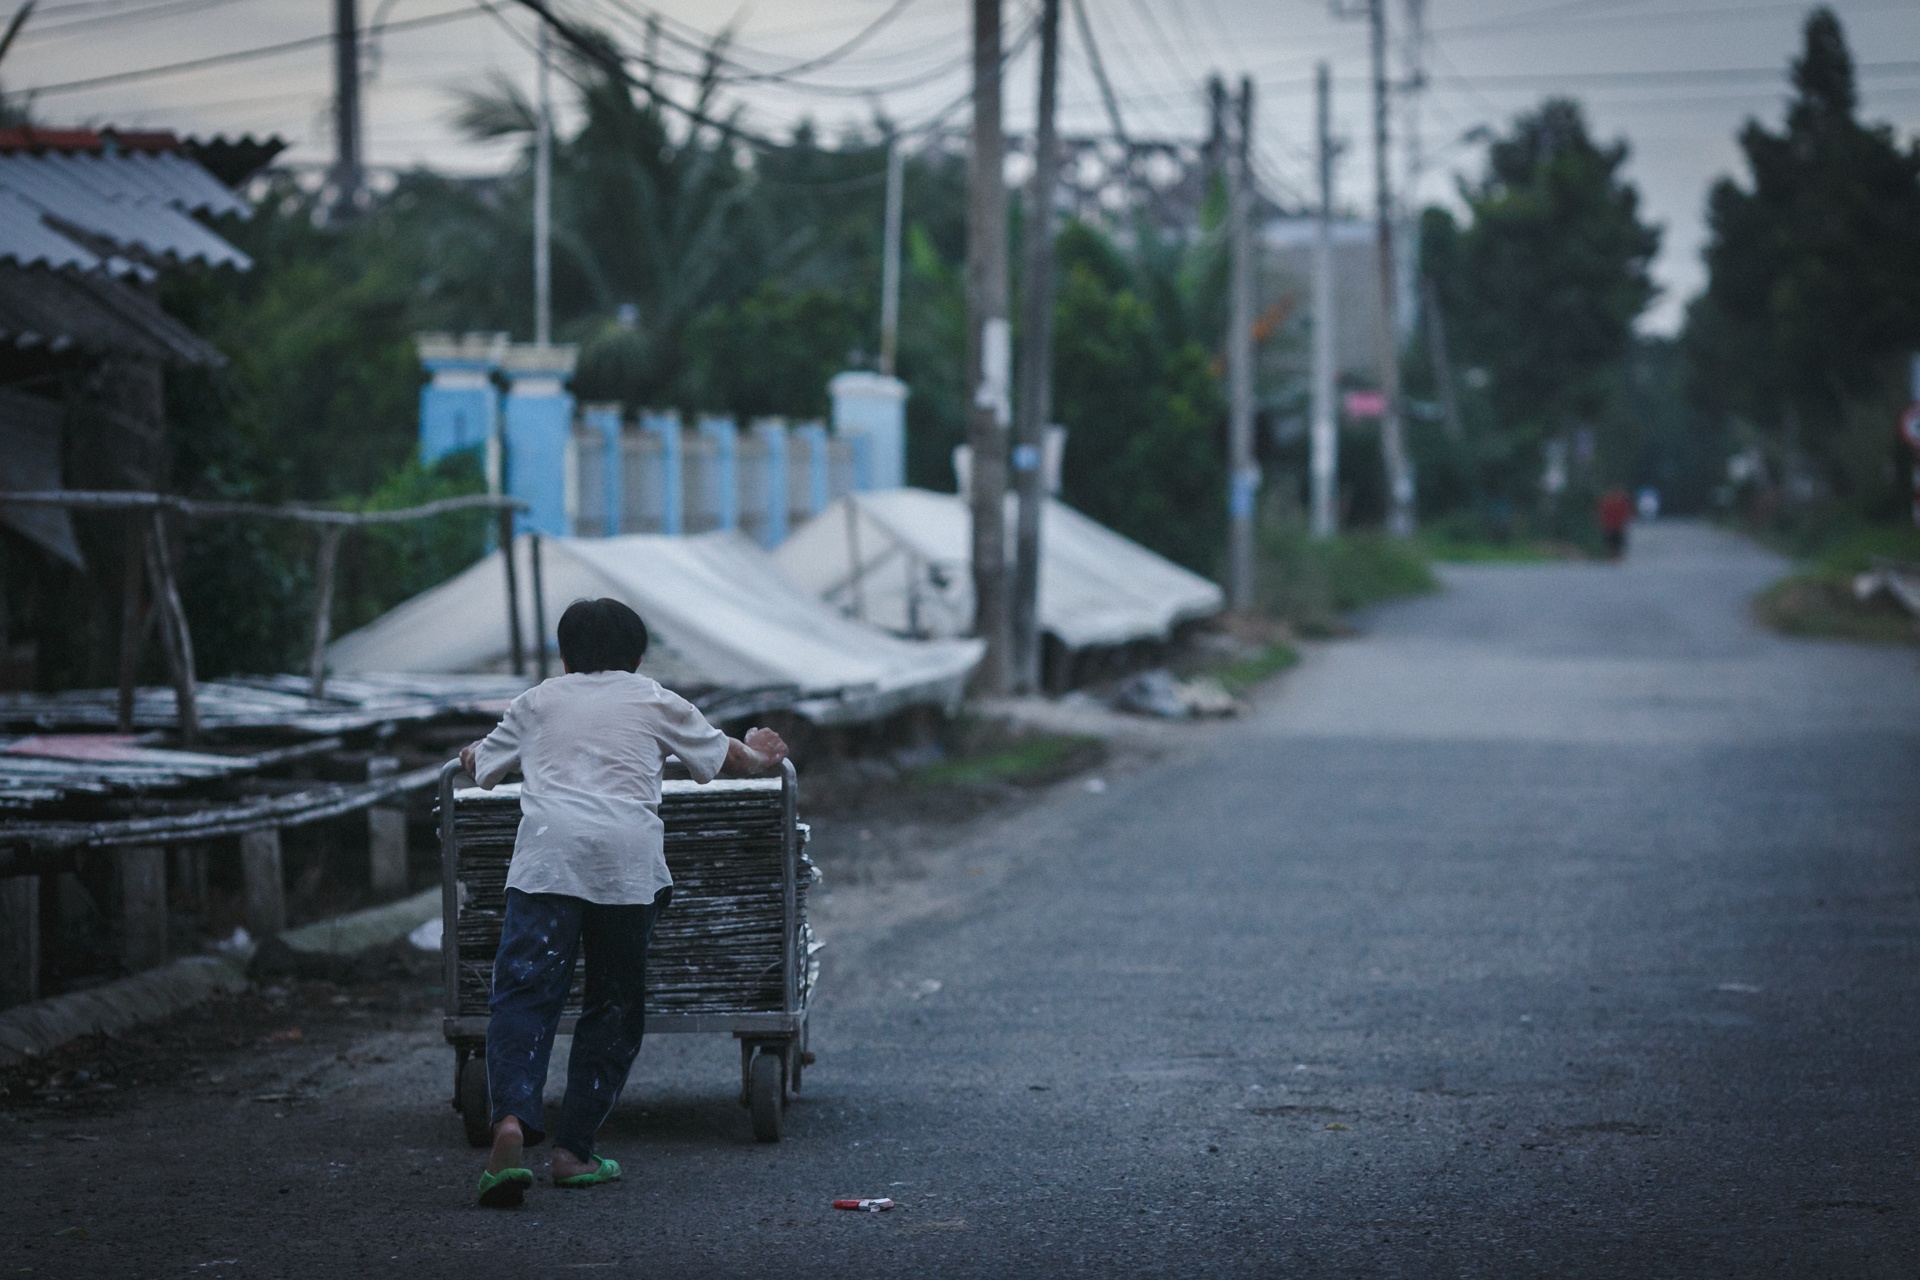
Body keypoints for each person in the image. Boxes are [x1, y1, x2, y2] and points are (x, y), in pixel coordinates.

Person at [459, 597, 789, 1208]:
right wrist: (765, 752)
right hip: (626, 868)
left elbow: (483, 767)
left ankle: (510, 1123)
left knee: (524, 998)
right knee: (612, 1004)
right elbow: (733, 761)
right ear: (638, 658)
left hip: (545, 866)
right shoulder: (654, 698)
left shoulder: (537, 702)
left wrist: (471, 756)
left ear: (563, 655)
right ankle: (573, 1150)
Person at [1598, 487, 1633, 560]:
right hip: (1616, 526)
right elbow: (1625, 513)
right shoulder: (1620, 502)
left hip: (1611, 526)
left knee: (1612, 542)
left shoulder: (1607, 501)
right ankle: (1615, 557)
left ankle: (1613, 556)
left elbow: (1602, 513)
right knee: (1616, 542)